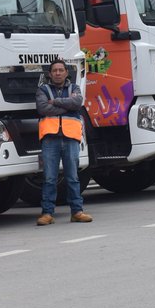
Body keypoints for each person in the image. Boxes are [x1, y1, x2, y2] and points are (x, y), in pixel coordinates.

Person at [36, 59, 92, 224]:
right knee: (49, 178)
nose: (58, 73)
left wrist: (56, 102)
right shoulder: (43, 89)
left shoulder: (74, 88)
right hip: (50, 138)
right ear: (50, 73)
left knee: (73, 177)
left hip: (70, 137)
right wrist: (68, 106)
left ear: (67, 72)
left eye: (61, 70)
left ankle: (77, 212)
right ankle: (47, 214)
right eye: (55, 70)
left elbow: (77, 102)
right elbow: (43, 108)